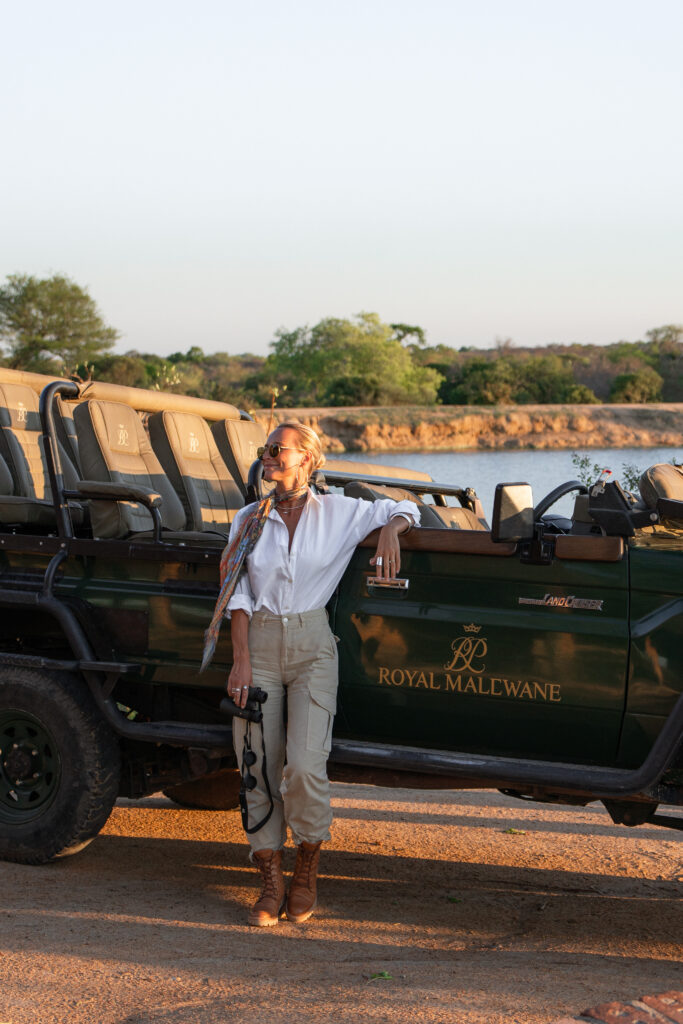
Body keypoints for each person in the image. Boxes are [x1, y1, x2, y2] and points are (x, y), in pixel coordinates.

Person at [202, 420, 419, 927]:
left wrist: (391, 528)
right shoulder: (248, 519)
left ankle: (307, 871)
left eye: (279, 450)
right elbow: (236, 593)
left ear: (308, 459)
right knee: (257, 764)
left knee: (303, 767)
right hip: (257, 642)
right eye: (266, 450)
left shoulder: (340, 512)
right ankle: (270, 881)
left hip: (313, 647)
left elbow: (404, 504)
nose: (269, 457)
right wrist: (240, 658)